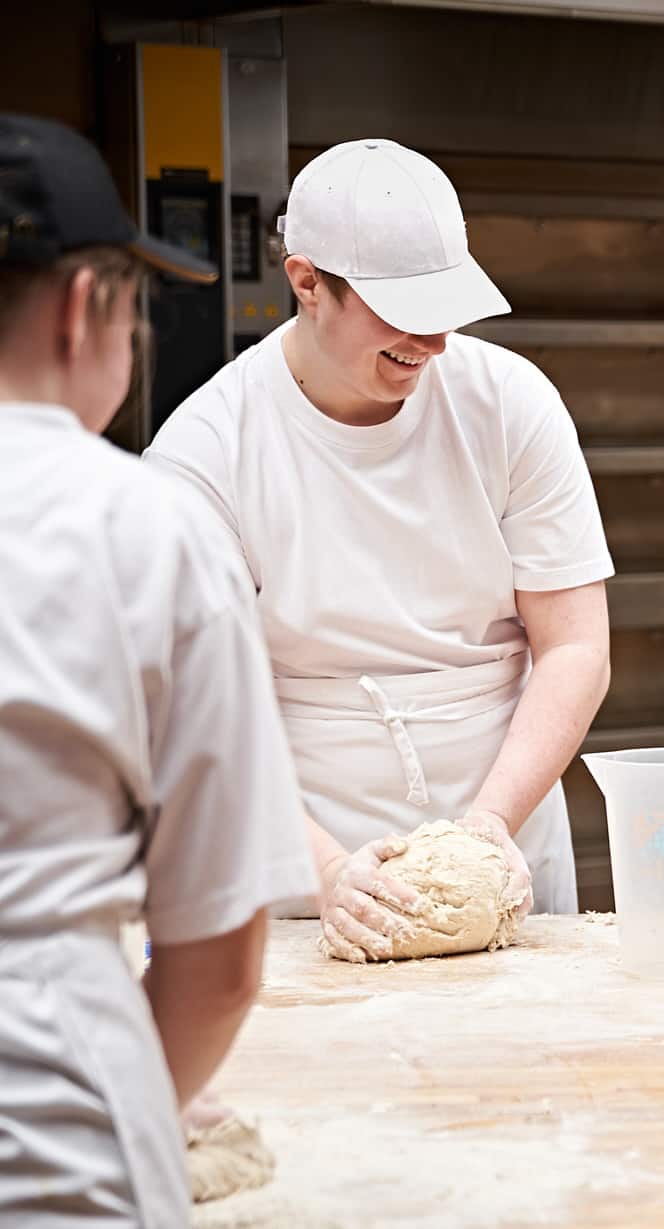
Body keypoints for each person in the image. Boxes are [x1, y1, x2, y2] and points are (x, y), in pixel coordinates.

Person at [145, 138, 614, 960]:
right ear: (306, 282)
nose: (432, 342)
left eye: (447, 307)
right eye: (401, 310)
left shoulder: (509, 404)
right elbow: (195, 716)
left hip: (501, 853)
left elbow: (575, 643)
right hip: (298, 877)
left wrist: (488, 825)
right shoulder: (208, 452)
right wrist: (328, 871)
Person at [0, 113, 314, 1223]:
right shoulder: (146, 527)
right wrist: (136, 1097)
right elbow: (219, 956)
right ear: (88, 310)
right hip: (48, 1133)